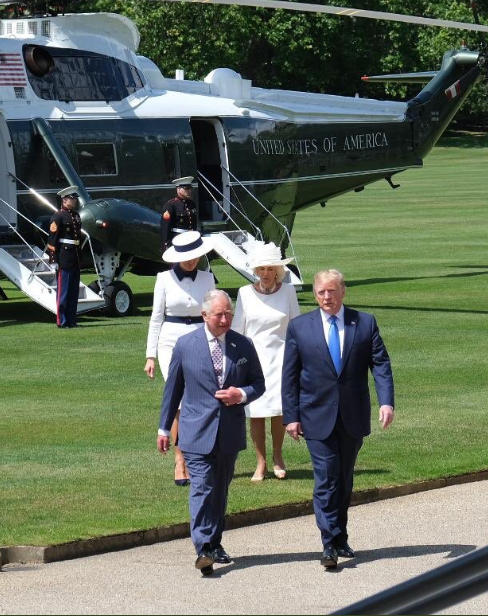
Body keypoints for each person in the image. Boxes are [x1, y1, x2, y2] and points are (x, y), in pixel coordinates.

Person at [282, 269, 395, 569]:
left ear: (343, 292)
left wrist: (386, 402)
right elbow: (289, 376)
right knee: (327, 477)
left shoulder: (364, 323)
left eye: (332, 291)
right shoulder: (300, 327)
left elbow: (380, 364)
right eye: (321, 292)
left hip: (352, 415)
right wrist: (290, 417)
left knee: (343, 479)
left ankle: (340, 535)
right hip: (315, 416)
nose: (326, 297)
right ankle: (329, 542)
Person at [158, 290, 265, 575]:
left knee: (219, 491)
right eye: (219, 314)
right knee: (203, 487)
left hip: (228, 431)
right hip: (195, 431)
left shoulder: (243, 345)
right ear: (204, 315)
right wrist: (164, 428)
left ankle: (215, 543)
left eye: (228, 313)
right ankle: (203, 548)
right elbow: (173, 391)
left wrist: (240, 394)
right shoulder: (185, 345)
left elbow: (258, 383)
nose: (225, 318)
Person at [145, 231, 217, 486]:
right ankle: (180, 459)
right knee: (178, 400)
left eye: (195, 257)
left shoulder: (208, 278)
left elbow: (214, 313)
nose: (191, 262)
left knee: (199, 398)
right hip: (170, 342)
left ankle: (200, 454)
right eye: (186, 258)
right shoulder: (163, 279)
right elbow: (156, 318)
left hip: (201, 339)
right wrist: (150, 355)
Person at [234, 241, 301, 482]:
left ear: (277, 271)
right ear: (255, 270)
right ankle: (260, 461)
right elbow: (237, 330)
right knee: (257, 412)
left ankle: (278, 457)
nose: (265, 274)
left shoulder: (288, 292)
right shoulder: (244, 293)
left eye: (270, 269)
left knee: (278, 410)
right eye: (261, 269)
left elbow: (297, 327)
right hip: (254, 360)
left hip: (282, 358)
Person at [46, 187, 83, 329]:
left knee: (74, 292)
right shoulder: (58, 216)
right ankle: (62, 321)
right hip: (64, 256)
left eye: (75, 199)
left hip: (75, 256)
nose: (74, 201)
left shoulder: (76, 216)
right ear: (64, 200)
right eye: (72, 199)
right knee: (64, 291)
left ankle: (72, 319)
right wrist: (53, 259)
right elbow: (52, 239)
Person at [161, 177, 198, 251]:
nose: (189, 191)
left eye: (190, 188)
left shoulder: (191, 204)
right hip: (177, 239)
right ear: (178, 189)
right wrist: (166, 243)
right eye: (186, 188)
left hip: (191, 238)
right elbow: (165, 226)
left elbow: (194, 223)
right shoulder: (171, 205)